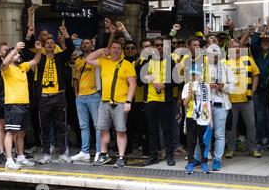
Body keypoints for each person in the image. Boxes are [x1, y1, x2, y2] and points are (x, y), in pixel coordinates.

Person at [27, 24, 75, 164]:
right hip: (44, 98)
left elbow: (71, 49)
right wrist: (29, 35)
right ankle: (46, 153)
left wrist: (66, 34)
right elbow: (25, 53)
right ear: (43, 45)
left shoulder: (60, 57)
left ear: (55, 46)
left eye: (51, 43)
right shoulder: (39, 58)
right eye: (47, 43)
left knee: (61, 126)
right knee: (45, 127)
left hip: (59, 96)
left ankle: (62, 153)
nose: (49, 44)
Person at [86, 40, 137, 167]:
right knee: (103, 129)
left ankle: (121, 157)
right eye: (113, 48)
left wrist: (128, 101)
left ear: (122, 51)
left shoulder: (127, 64)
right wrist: (101, 50)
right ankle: (104, 155)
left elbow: (133, 84)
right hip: (105, 102)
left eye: (118, 48)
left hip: (120, 102)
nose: (116, 50)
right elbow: (88, 59)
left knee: (120, 130)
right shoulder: (105, 61)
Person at [240, 18, 269, 152]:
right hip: (258, 90)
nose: (265, 42)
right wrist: (257, 30)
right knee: (260, 117)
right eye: (263, 40)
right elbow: (254, 42)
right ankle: (260, 141)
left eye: (268, 41)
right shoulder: (256, 53)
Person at [1, 41, 42, 169]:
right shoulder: (6, 69)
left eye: (18, 54)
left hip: (24, 104)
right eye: (16, 55)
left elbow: (35, 61)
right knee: (11, 132)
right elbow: (3, 63)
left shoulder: (22, 67)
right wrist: (14, 49)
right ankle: (9, 160)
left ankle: (20, 157)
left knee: (21, 133)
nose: (18, 56)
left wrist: (39, 50)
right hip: (13, 104)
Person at [137, 37, 177, 166]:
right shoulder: (146, 61)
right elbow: (138, 81)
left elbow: (177, 80)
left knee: (167, 129)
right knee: (152, 130)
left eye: (161, 45)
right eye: (157, 45)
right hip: (150, 100)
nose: (159, 47)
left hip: (165, 101)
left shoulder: (170, 61)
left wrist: (165, 85)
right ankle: (153, 156)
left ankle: (170, 156)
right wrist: (146, 78)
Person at [224, 38, 261, 159]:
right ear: (229, 49)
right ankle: (230, 149)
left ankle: (253, 148)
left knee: (251, 125)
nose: (237, 48)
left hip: (247, 99)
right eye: (234, 47)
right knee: (231, 127)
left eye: (238, 46)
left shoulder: (248, 60)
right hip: (230, 100)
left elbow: (256, 75)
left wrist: (253, 90)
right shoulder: (224, 62)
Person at [70, 38, 102, 163]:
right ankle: (85, 152)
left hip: (94, 95)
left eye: (87, 43)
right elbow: (75, 79)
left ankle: (100, 151)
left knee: (97, 125)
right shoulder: (78, 60)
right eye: (83, 43)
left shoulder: (97, 59)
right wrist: (76, 95)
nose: (84, 45)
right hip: (81, 97)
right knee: (83, 126)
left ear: (92, 45)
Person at [182, 68, 212, 174]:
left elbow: (209, 103)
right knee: (191, 142)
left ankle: (204, 163)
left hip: (203, 117)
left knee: (204, 141)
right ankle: (190, 163)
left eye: (197, 75)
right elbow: (184, 103)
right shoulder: (187, 86)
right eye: (193, 75)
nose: (195, 77)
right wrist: (191, 93)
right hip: (191, 117)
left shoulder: (206, 86)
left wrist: (211, 120)